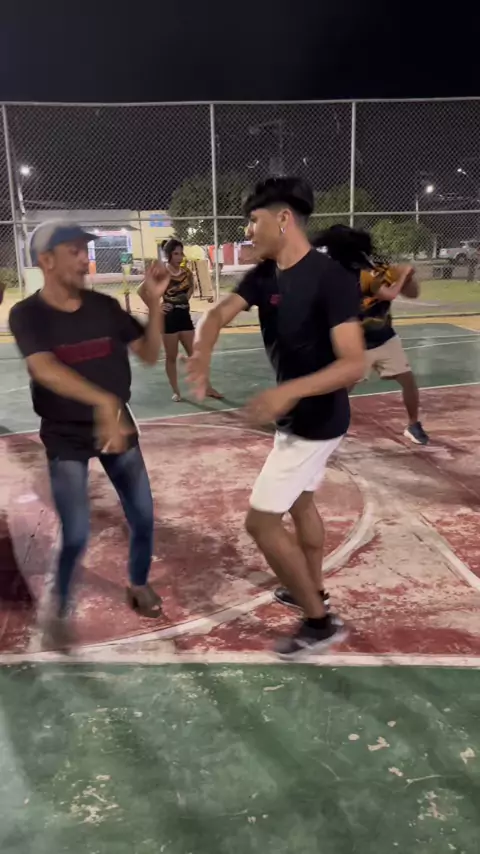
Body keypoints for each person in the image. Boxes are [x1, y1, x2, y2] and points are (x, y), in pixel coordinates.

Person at [187, 178, 365, 658]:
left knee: (261, 523)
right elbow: (217, 314)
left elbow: (354, 364)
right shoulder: (266, 275)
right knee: (301, 503)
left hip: (316, 421)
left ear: (283, 219)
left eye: (254, 220)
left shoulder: (330, 278)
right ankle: (312, 588)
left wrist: (288, 392)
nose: (248, 230)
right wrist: (202, 350)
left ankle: (319, 622)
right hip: (300, 421)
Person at [9, 219, 169, 650]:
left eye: (86, 250)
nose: (85, 259)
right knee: (77, 531)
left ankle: (138, 583)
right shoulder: (27, 314)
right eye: (75, 251)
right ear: (46, 260)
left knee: (143, 515)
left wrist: (154, 303)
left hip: (117, 424)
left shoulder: (104, 307)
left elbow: (149, 353)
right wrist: (101, 401)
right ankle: (60, 605)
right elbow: (43, 368)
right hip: (66, 434)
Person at [313, 224, 429, 445]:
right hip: (356, 344)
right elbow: (389, 294)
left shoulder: (375, 269)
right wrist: (404, 275)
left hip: (384, 338)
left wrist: (407, 278)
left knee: (408, 380)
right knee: (342, 389)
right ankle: (328, 423)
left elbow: (412, 293)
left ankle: (413, 424)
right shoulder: (347, 275)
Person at [156, 238, 222, 402]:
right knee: (171, 357)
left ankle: (207, 387)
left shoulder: (186, 272)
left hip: (184, 317)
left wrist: (185, 297)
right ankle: (176, 391)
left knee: (195, 354)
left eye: (181, 253)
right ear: (169, 255)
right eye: (175, 254)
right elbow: (144, 291)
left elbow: (191, 287)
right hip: (169, 320)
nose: (179, 257)